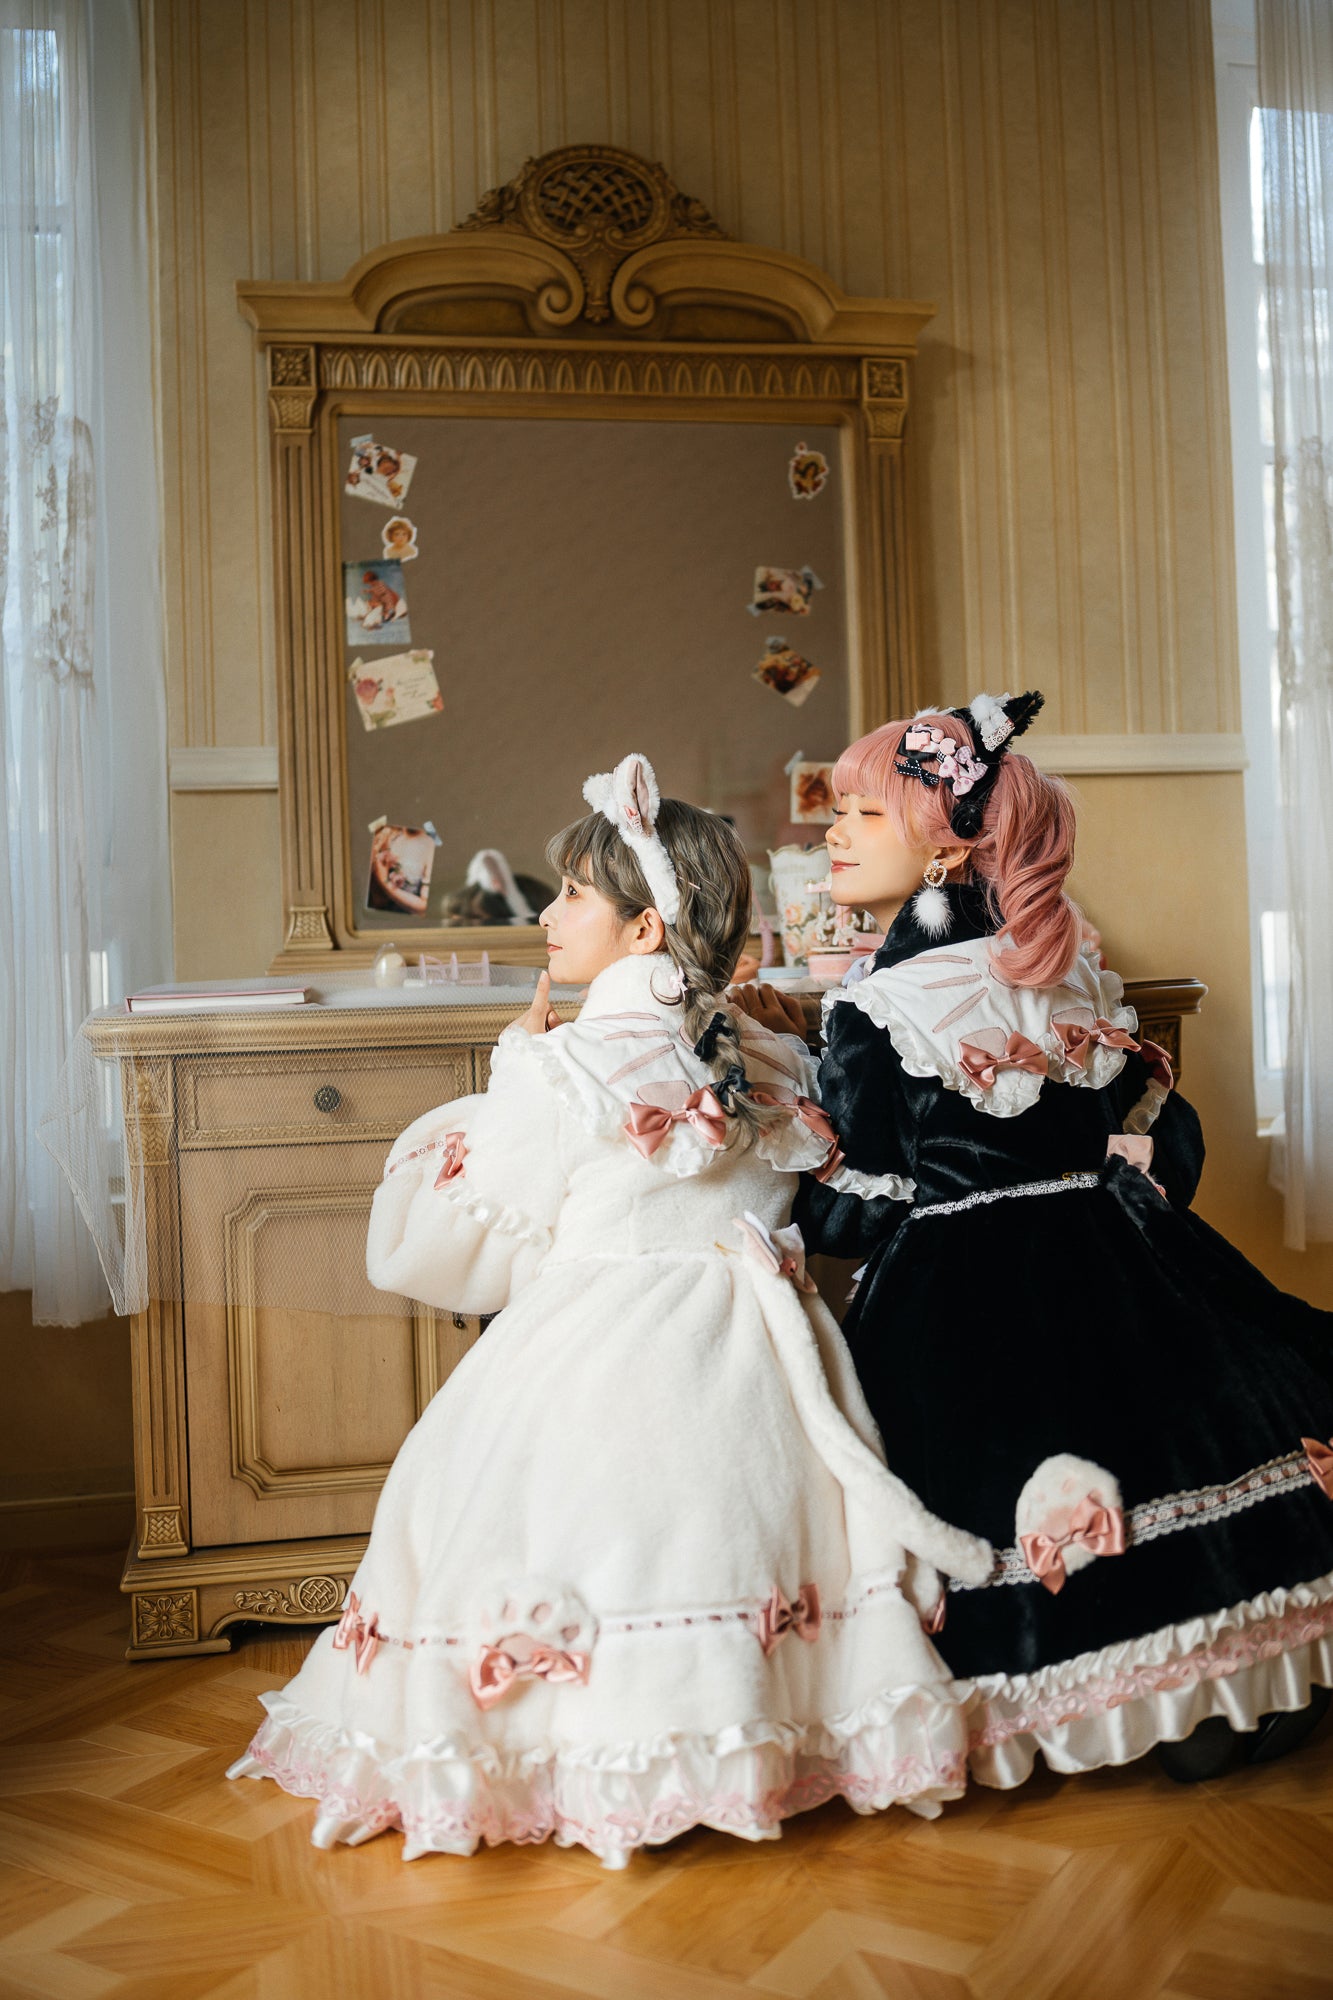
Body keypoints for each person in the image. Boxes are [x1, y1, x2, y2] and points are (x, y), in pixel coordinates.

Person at [228, 753, 991, 1867]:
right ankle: (755, 1733)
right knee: (735, 1538)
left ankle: (595, 1750)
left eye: (575, 893)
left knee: (582, 1536)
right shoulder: (773, 1055)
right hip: (760, 1355)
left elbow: (446, 1250)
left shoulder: (565, 1069)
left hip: (600, 1345)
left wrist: (505, 1078)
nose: (549, 913)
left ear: (643, 930)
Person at [737, 692, 1333, 1787]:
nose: (830, 832)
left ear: (940, 848)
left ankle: (1121, 1698)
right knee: (1177, 1442)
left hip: (963, 1295)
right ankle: (1235, 1692)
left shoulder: (881, 1007)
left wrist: (781, 1117)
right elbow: (1165, 1141)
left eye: (860, 814)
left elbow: (858, 1212)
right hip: (1122, 1256)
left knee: (1003, 1481)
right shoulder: (1069, 970)